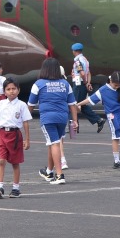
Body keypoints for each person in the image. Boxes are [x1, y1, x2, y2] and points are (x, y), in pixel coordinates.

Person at [28, 57, 78, 185]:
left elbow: (31, 104)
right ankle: (49, 172)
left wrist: (24, 119)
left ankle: (59, 175)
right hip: (62, 118)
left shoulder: (38, 84)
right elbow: (72, 104)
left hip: (48, 118)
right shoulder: (65, 84)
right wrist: (75, 120)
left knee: (54, 144)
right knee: (52, 142)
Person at [0, 78, 32, 198]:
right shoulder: (1, 104)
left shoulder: (21, 105)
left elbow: (25, 122)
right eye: (8, 89)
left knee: (15, 163)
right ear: (4, 91)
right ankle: (0, 186)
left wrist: (27, 139)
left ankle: (16, 188)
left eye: (14, 88)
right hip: (2, 134)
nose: (11, 91)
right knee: (1, 160)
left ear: (18, 90)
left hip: (15, 135)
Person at [86, 72, 120, 169]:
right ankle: (116, 161)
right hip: (112, 116)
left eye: (119, 85)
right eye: (115, 85)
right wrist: (77, 104)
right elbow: (90, 100)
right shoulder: (103, 90)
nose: (117, 87)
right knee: (116, 138)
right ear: (110, 81)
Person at [70, 43, 100, 131]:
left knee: (73, 104)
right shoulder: (85, 60)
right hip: (82, 84)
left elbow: (82, 73)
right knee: (81, 105)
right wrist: (88, 83)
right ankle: (98, 120)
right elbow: (88, 73)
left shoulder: (78, 61)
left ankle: (74, 126)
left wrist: (85, 82)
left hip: (78, 84)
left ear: (74, 51)